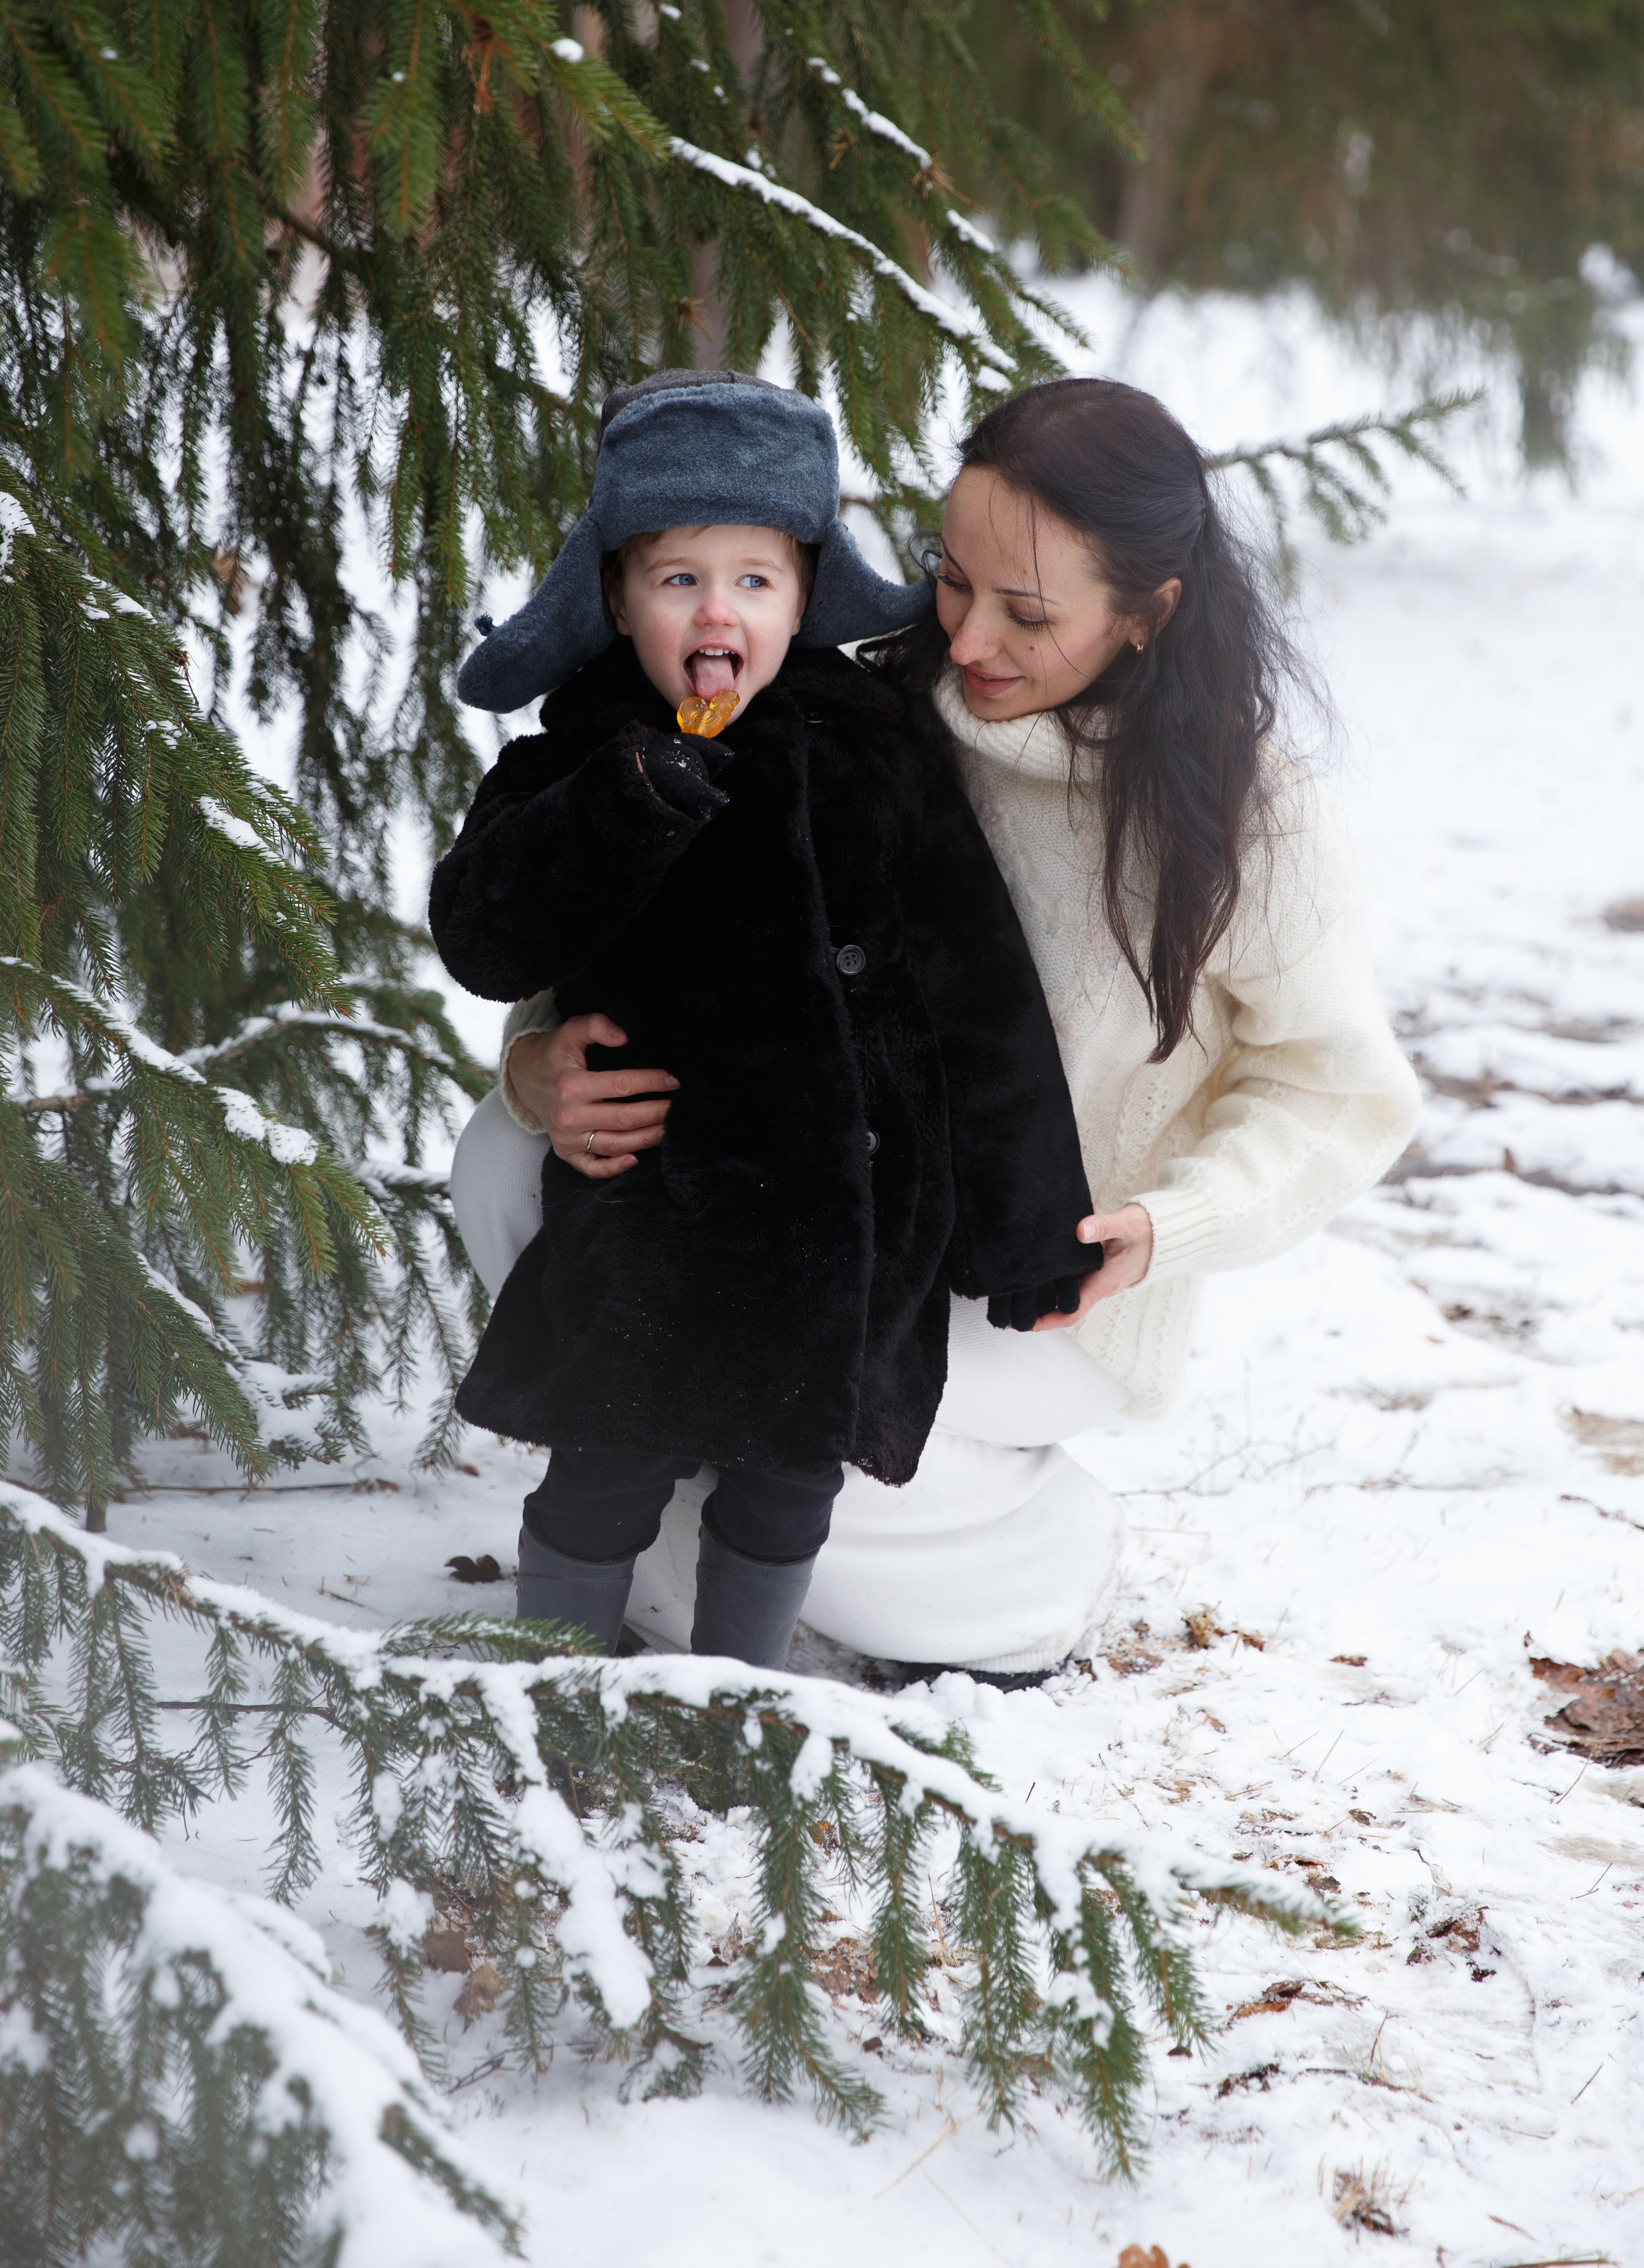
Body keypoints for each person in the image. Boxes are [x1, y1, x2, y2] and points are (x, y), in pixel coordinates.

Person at [469, 376, 1421, 1685]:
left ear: (1146, 617)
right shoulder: (865, 709)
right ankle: (664, 1500)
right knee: (505, 1170)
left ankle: (1026, 1567)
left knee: (802, 1456)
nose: (966, 636)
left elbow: (1336, 1094)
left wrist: (1164, 1230)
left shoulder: (1245, 816)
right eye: (949, 579)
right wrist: (535, 1063)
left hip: (1045, 1280)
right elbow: (671, 927)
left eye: (1025, 612)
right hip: (805, 1198)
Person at [431, 370, 1099, 1672]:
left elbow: (981, 996)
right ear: (617, 599)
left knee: (790, 1481)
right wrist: (625, 801)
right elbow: (483, 932)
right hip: (648, 1206)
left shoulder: (876, 755)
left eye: (754, 579)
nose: (716, 611)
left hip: (842, 1218)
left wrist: (1029, 1233)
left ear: (804, 598)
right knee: (605, 1461)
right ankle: (556, 1685)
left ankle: (739, 1692)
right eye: (678, 580)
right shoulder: (578, 760)